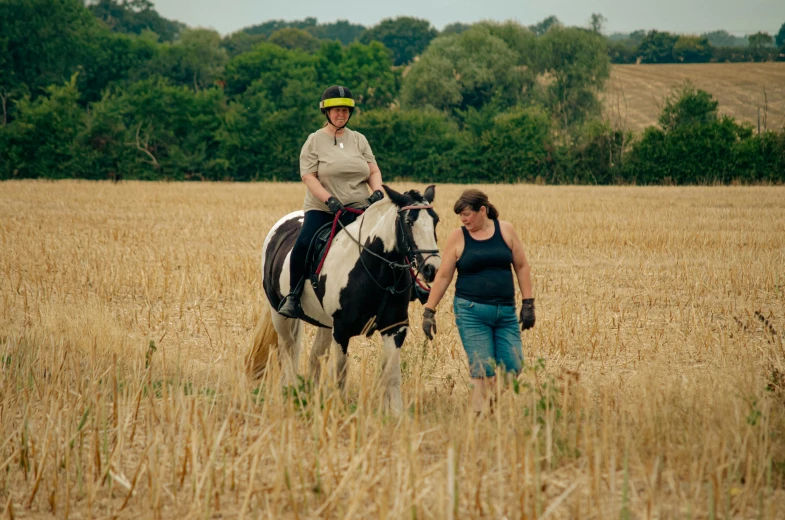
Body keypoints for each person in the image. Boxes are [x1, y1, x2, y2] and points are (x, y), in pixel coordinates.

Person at [421, 189, 535, 413]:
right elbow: (444, 276)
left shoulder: (506, 230)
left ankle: (488, 408)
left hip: (506, 313)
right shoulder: (458, 237)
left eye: (467, 214)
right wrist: (429, 310)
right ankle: (478, 419)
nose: (463, 220)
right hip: (471, 312)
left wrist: (528, 303)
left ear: (482, 210)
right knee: (482, 371)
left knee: (513, 367)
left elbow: (521, 266)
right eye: (460, 216)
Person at [277, 85, 386, 319]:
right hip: (325, 210)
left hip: (361, 209)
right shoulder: (314, 140)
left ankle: (405, 289)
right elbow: (309, 176)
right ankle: (293, 297)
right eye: (336, 110)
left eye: (346, 111)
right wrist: (329, 199)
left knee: (389, 242)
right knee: (303, 244)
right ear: (326, 112)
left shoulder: (359, 139)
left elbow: (373, 170)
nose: (341, 115)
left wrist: (377, 191)